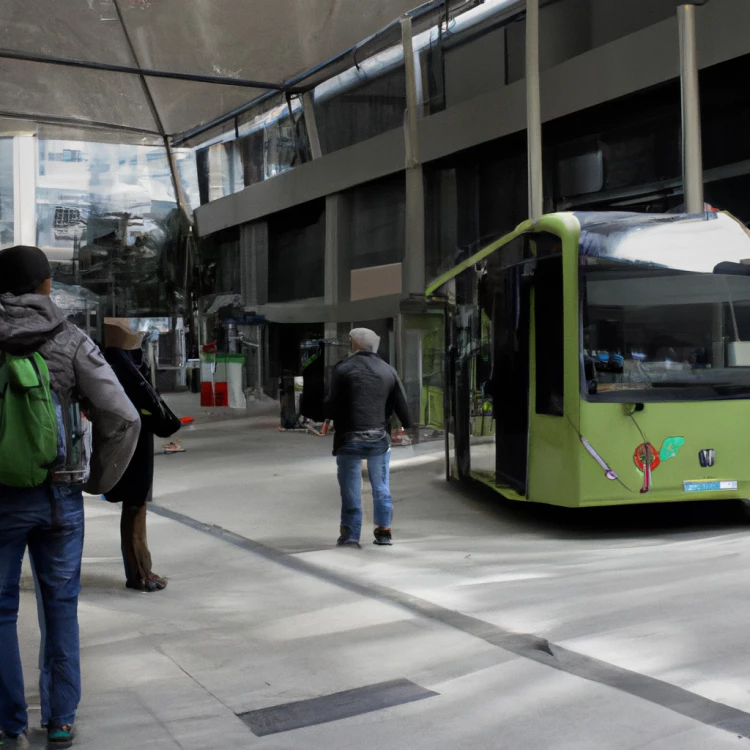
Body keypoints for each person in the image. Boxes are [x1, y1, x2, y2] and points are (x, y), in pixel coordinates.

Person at [0, 246, 140, 746]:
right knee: (59, 605)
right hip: (60, 495)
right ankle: (59, 719)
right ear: (46, 285)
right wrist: (97, 479)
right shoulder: (70, 339)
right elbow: (123, 417)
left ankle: (8, 722)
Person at [324, 328, 412, 548]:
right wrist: (408, 426)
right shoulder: (388, 370)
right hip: (379, 440)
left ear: (354, 345)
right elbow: (403, 408)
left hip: (348, 439)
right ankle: (383, 532)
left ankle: (351, 536)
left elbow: (331, 402)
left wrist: (325, 418)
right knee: (381, 486)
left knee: (351, 489)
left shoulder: (342, 369)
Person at [101, 319, 167, 593]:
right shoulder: (113, 355)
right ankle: (139, 572)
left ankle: (142, 568)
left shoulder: (133, 353)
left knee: (137, 503)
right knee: (134, 504)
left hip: (139, 433)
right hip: (126, 433)